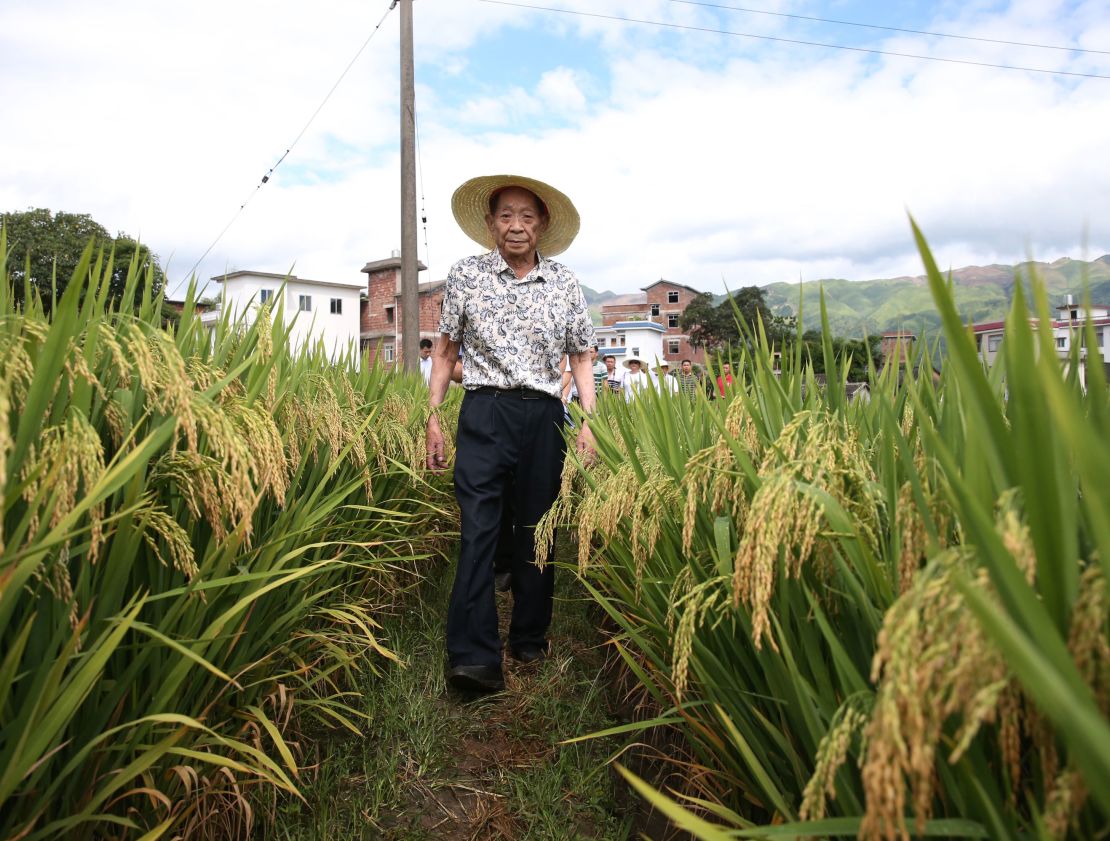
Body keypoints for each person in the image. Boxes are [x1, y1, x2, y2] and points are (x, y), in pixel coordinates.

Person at [426, 174, 596, 694]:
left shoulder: (564, 283)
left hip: (543, 416)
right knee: (478, 527)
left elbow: (582, 354)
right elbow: (446, 351)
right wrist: (431, 417)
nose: (516, 226)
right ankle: (473, 659)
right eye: (505, 216)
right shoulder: (467, 275)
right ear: (489, 223)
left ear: (543, 224)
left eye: (527, 216)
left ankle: (528, 636)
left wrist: (590, 421)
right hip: (484, 410)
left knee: (536, 529)